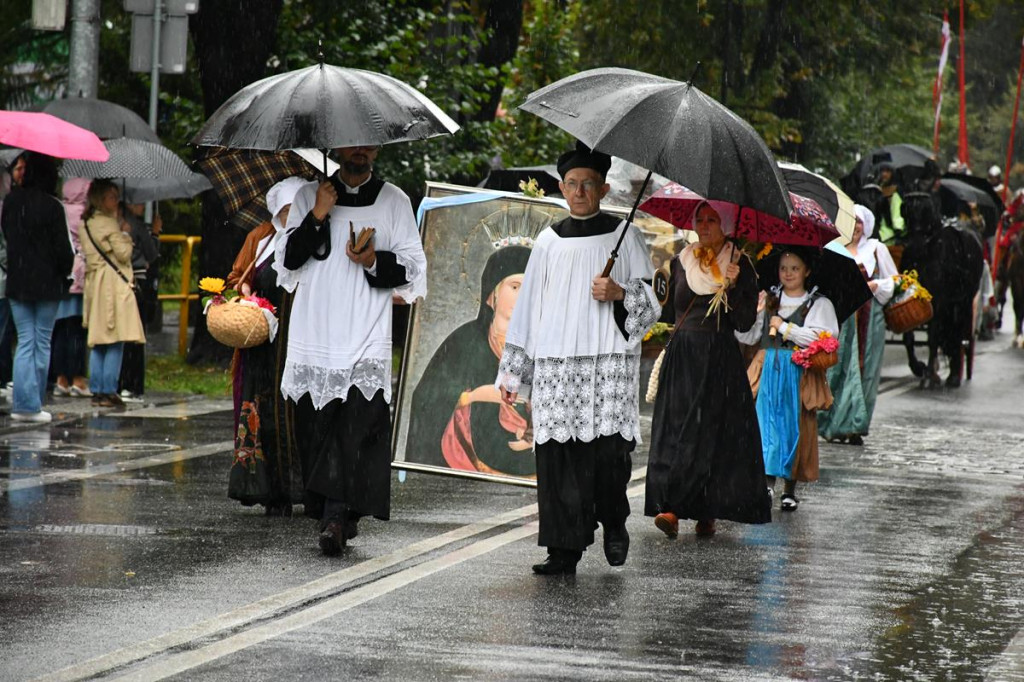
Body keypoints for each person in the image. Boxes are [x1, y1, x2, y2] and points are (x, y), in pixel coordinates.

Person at [495, 141, 659, 575]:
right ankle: (563, 548)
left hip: (607, 362)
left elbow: (652, 307)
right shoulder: (548, 242)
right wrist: (515, 373)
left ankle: (614, 521)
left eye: (588, 184)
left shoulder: (627, 235)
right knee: (558, 458)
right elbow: (528, 306)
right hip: (557, 363)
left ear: (604, 189)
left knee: (608, 456)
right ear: (562, 188)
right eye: (572, 184)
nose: (580, 192)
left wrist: (620, 293)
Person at [275, 145, 427, 556]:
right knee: (318, 428)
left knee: (358, 428)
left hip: (366, 331)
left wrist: (374, 259)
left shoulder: (394, 199)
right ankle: (334, 513)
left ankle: (338, 516)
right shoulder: (310, 195)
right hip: (317, 329)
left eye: (366, 144)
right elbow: (288, 260)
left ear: (376, 149)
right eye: (350, 144)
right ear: (337, 148)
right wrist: (319, 213)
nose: (358, 151)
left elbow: (414, 266)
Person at [645, 201, 771, 539]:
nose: (704, 225)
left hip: (718, 356)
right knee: (677, 428)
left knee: (712, 433)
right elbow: (669, 311)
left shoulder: (740, 264)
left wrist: (735, 286)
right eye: (699, 219)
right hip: (684, 354)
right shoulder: (681, 260)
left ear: (726, 224)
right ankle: (670, 506)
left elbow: (744, 323)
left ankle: (707, 508)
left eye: (712, 220)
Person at [406, 245, 535, 477]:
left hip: (529, 463)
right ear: (491, 294)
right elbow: (429, 401)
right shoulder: (464, 342)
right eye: (515, 287)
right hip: (467, 461)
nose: (523, 297)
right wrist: (471, 397)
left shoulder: (542, 347)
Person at [226, 176, 310, 516]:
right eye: (287, 209)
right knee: (266, 418)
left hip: (301, 341)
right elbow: (236, 278)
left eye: (298, 208)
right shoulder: (260, 239)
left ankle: (304, 488)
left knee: (300, 416)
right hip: (263, 347)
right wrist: (245, 294)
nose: (292, 215)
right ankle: (270, 490)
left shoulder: (315, 239)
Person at [737, 248, 838, 511]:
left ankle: (789, 489)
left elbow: (823, 338)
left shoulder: (819, 304)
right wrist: (754, 313)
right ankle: (767, 485)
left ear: (806, 271)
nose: (788, 273)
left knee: (796, 426)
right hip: (768, 367)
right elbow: (748, 338)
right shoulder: (769, 299)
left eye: (795, 268)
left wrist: (784, 327)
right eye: (784, 268)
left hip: (798, 371)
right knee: (765, 425)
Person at [0, 152, 74, 422]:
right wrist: (63, 271)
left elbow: (8, 237)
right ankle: (33, 404)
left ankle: (21, 403)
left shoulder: (10, 202)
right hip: (46, 285)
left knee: (24, 342)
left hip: (18, 282)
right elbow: (64, 252)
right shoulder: (53, 207)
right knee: (41, 341)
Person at [818, 205, 897, 445]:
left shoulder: (875, 249)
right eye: (850, 221)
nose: (855, 226)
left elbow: (895, 279)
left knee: (865, 370)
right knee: (837, 369)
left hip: (869, 316)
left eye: (859, 222)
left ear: (866, 225)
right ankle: (833, 424)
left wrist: (877, 286)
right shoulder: (835, 249)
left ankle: (855, 425)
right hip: (842, 317)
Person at [80, 180, 145, 408]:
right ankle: (108, 390)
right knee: (116, 338)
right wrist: (125, 234)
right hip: (113, 285)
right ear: (100, 199)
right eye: (111, 196)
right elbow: (124, 254)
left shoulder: (86, 223)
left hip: (95, 283)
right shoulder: (108, 224)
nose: (115, 200)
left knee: (99, 340)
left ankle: (97, 389)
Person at [50, 177, 91, 398]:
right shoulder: (84, 214)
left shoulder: (59, 209)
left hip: (62, 277)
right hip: (80, 277)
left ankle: (60, 379)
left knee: (59, 331)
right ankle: (77, 378)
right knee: (77, 331)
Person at [117, 202, 161, 399]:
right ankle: (132, 384)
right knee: (135, 335)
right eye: (138, 202)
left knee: (119, 335)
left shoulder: (112, 223)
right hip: (136, 283)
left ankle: (117, 382)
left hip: (116, 283)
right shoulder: (136, 226)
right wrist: (155, 233)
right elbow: (152, 254)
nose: (143, 205)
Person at [874, 162, 905, 245]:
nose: (884, 174)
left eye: (887, 171)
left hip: (892, 237)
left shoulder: (896, 192)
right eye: (882, 171)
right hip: (880, 235)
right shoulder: (876, 190)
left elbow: (897, 214)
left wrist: (898, 230)